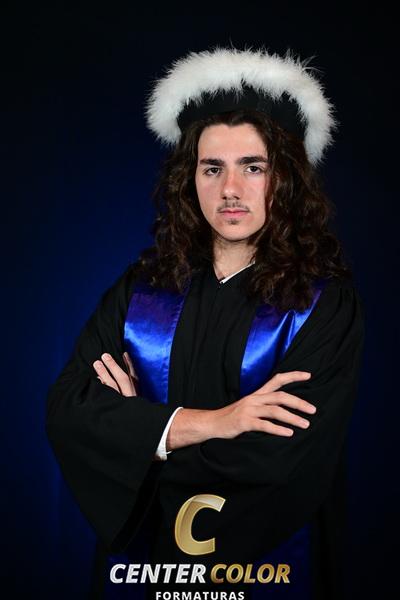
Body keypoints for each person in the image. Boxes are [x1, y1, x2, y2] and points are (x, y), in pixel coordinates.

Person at [46, 47, 365, 600]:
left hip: (265, 574)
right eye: (212, 168)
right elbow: (68, 413)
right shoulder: (140, 291)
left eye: (254, 167)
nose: (230, 190)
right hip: (141, 576)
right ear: (188, 178)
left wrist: (140, 436)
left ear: (286, 179)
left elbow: (283, 463)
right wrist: (219, 422)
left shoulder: (323, 306)